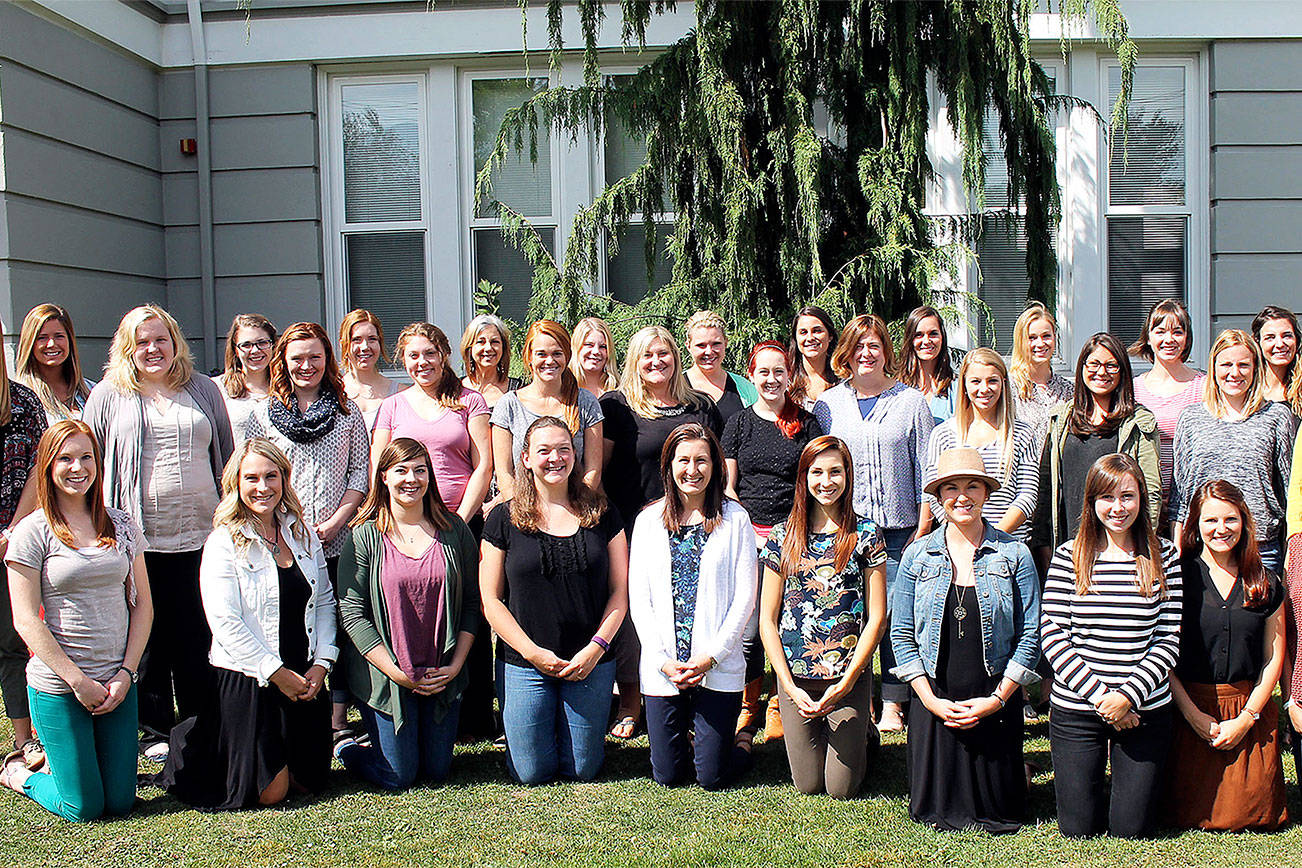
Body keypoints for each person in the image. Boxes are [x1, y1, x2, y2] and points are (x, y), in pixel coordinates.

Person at [82, 304, 233, 750]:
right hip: (139, 539)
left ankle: (198, 717)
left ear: (175, 343)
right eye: (142, 341)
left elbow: (224, 456)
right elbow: (91, 461)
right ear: (127, 348)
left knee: (196, 629)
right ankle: (151, 727)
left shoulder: (203, 390)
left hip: (202, 536)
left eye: (161, 339)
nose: (153, 349)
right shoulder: (109, 395)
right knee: (146, 632)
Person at [158, 438, 336, 810]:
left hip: (304, 674)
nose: (263, 487)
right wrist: (277, 673)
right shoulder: (223, 542)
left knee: (311, 781)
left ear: (284, 480)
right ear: (236, 484)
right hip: (250, 677)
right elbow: (225, 623)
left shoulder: (302, 534)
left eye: (271, 476)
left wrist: (321, 663)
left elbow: (324, 602)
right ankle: (197, 746)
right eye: (251, 478)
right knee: (272, 793)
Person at [0, 421, 152, 820]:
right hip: (60, 686)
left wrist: (126, 674)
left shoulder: (120, 524)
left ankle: (69, 763)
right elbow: (25, 619)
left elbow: (144, 608)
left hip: (116, 683)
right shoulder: (32, 533)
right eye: (65, 458)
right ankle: (20, 775)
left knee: (120, 802)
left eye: (86, 457)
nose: (77, 467)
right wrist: (78, 682)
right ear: (48, 465)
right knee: (81, 806)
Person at [893, 447, 1041, 833]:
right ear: (938, 496)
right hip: (934, 695)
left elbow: (1030, 634)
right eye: (951, 487)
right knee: (932, 811)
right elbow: (902, 634)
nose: (963, 496)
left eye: (973, 486)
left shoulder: (1015, 554)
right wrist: (930, 701)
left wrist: (996, 700)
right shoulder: (917, 556)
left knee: (1001, 807)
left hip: (994, 694)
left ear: (986, 493)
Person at [1041, 453, 1181, 839]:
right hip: (1079, 708)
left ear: (1141, 500)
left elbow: (1169, 640)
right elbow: (1053, 635)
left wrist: (1128, 698)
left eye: (1128, 497)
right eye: (1107, 498)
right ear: (1091, 502)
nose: (1118, 508)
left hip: (1144, 709)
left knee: (1131, 829)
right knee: (1078, 829)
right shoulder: (1071, 555)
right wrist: (1105, 700)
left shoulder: (1164, 556)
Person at [480, 417, 627, 784]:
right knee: (531, 773)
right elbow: (490, 599)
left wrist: (595, 650)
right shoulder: (503, 517)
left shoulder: (603, 512)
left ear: (575, 455)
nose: (555, 458)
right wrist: (532, 653)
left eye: (564, 449)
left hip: (589, 660)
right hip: (524, 663)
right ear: (525, 458)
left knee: (583, 769)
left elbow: (620, 593)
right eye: (543, 450)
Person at [242, 321, 369, 739]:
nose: (306, 365)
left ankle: (339, 720)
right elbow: (254, 473)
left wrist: (334, 523)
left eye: (315, 356)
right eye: (297, 358)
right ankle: (298, 705)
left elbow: (358, 475)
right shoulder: (262, 416)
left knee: (344, 625)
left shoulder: (348, 413)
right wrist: (289, 524)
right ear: (284, 361)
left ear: (327, 359)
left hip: (338, 538)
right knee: (297, 621)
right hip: (283, 539)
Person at [812, 313, 934, 733]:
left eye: (875, 345)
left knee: (895, 618)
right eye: (858, 346)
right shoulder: (829, 404)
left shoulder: (911, 401)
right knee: (854, 617)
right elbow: (823, 463)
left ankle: (894, 703)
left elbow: (926, 467)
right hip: (849, 530)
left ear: (886, 352)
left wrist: (923, 524)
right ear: (846, 353)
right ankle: (856, 700)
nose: (867, 353)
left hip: (901, 530)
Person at [335, 438, 480, 790]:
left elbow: (473, 604)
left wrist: (456, 666)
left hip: (440, 672)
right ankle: (347, 748)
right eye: (401, 470)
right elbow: (352, 612)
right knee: (399, 775)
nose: (411, 479)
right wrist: (397, 673)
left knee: (437, 771)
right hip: (388, 674)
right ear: (383, 477)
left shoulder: (454, 529)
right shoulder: (364, 535)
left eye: (420, 469)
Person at [601, 325, 723, 738]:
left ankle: (694, 696)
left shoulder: (700, 407)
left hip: (695, 526)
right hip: (634, 527)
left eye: (664, 354)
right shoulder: (617, 407)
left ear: (676, 357)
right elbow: (600, 472)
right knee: (640, 615)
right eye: (647, 355)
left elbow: (716, 467)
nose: (656, 362)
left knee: (692, 608)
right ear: (635, 360)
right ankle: (634, 700)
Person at [628, 424, 757, 790]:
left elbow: (744, 599)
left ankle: (742, 743)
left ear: (716, 466)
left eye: (702, 460)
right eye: (683, 460)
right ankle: (691, 733)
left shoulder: (735, 520)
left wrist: (709, 658)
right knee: (668, 775)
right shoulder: (648, 521)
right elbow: (640, 600)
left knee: (710, 776)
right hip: (664, 667)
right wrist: (663, 662)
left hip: (716, 666)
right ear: (668, 465)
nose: (692, 470)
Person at [758, 436, 886, 798]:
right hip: (796, 678)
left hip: (847, 678)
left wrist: (848, 682)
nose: (826, 481)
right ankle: (836, 730)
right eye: (817, 472)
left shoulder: (865, 534)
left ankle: (864, 734)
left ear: (847, 476)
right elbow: (768, 619)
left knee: (839, 789)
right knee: (809, 784)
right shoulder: (783, 535)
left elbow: (877, 616)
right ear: (804, 477)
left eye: (835, 472)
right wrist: (787, 684)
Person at [1165, 479, 1287, 831]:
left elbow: (1273, 656)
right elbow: (1163, 654)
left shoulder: (1264, 580)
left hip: (1246, 709)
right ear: (1195, 525)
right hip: (1187, 709)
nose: (1221, 529)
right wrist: (1192, 715)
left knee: (1251, 813)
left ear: (1244, 522)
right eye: (1210, 520)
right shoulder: (1178, 578)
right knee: (1181, 812)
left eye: (1230, 519)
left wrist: (1247, 718)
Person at [723, 341, 824, 743]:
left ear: (789, 375)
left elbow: (816, 482)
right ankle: (749, 706)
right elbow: (729, 487)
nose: (770, 379)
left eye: (778, 372)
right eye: (763, 372)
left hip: (794, 539)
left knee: (787, 625)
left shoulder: (808, 423)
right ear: (752, 375)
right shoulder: (739, 424)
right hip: (749, 538)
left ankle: (782, 705)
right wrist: (747, 532)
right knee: (749, 630)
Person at [1030, 333, 1160, 566]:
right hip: (1069, 544)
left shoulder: (1138, 422)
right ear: (1082, 367)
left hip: (1121, 547)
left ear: (1123, 372)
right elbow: (1046, 487)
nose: (1102, 372)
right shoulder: (1062, 419)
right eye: (1094, 364)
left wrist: (1141, 547)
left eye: (1111, 365)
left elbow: (1150, 490)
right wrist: (1043, 546)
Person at [1170, 329, 1294, 573]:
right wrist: (1177, 547)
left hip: (1260, 548)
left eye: (1243, 365)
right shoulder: (1191, 418)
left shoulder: (1277, 417)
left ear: (1255, 368)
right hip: (1202, 549)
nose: (1234, 373)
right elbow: (1180, 495)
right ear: (1214, 368)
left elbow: (1289, 492)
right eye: (1226, 364)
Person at [374, 323, 492, 527]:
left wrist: (459, 523)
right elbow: (378, 468)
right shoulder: (390, 406)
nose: (422, 362)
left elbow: (483, 467)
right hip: (407, 524)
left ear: (443, 355)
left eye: (430, 353)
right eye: (413, 356)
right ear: (404, 360)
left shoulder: (471, 401)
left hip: (461, 520)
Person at [924, 349, 1039, 540]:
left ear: (1003, 383)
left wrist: (993, 537)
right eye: (976, 381)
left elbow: (1027, 495)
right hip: (959, 544)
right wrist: (966, 535)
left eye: (992, 381)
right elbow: (932, 494)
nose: (984, 389)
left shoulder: (1021, 433)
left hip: (1009, 544)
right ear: (964, 385)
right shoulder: (943, 434)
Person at [492, 320, 603, 499]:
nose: (549, 361)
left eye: (557, 354)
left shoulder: (586, 403)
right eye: (541, 354)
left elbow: (593, 470)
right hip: (523, 512)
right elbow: (504, 473)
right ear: (529, 357)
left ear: (567, 356)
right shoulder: (508, 406)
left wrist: (576, 508)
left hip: (575, 510)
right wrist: (520, 510)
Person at [1129, 300, 1205, 512]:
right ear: (1149, 338)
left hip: (1194, 504)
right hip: (1144, 505)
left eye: (1177, 332)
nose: (1169, 339)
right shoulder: (1133, 390)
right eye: (1160, 331)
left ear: (1187, 338)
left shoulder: (1205, 387)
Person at [14, 304, 94, 425]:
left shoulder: (92, 390)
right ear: (29, 343)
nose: (51, 344)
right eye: (42, 338)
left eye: (59, 336)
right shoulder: (19, 399)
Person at [1008, 302, 1074, 447]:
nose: (1040, 343)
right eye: (1032, 337)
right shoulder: (1009, 388)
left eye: (1046, 336)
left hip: (1058, 468)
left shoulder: (1068, 390)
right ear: (1021, 341)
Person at [682, 310, 758, 422]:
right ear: (688, 346)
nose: (709, 351)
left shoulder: (745, 389)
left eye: (716, 344)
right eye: (701, 345)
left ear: (726, 343)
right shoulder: (675, 387)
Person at [215, 313, 276, 443]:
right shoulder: (217, 389)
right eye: (246, 345)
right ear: (236, 350)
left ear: (273, 345)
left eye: (262, 342)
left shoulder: (286, 388)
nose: (255, 351)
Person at [339, 309, 400, 431]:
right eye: (356, 339)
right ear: (343, 344)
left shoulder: (399, 394)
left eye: (372, 339)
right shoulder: (333, 392)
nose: (365, 347)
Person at [899, 306, 957, 424]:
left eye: (933, 334)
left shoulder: (956, 388)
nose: (926, 341)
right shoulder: (897, 389)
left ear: (942, 338)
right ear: (910, 340)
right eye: (919, 335)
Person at [460, 313, 523, 410]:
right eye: (481, 342)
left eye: (495, 342)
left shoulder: (519, 390)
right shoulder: (455, 389)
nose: (488, 348)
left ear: (503, 347)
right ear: (469, 348)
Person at [1252, 305, 1301, 416]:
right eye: (1270, 337)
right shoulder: (1246, 389)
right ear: (1258, 342)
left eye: (1287, 336)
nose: (1280, 344)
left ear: (1297, 340)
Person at [788, 306, 838, 410]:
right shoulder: (786, 382)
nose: (810, 338)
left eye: (817, 331)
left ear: (830, 336)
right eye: (803, 332)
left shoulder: (845, 380)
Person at [570, 317, 620, 397]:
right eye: (589, 345)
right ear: (576, 347)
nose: (596, 351)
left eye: (603, 346)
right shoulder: (563, 387)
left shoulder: (620, 392)